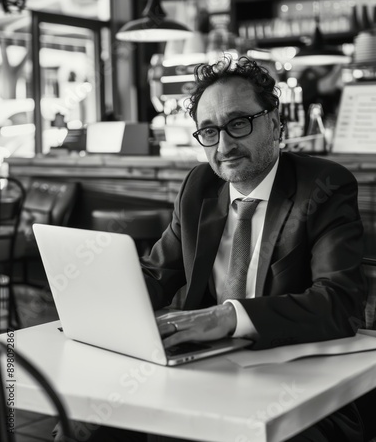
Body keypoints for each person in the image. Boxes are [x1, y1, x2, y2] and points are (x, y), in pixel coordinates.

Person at [54, 56, 367, 442]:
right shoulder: (199, 186)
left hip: (291, 385)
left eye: (238, 123)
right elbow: (158, 273)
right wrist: (95, 302)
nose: (224, 145)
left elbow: (340, 302)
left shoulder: (323, 185)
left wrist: (229, 317)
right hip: (198, 369)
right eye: (208, 131)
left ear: (274, 122)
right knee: (79, 426)